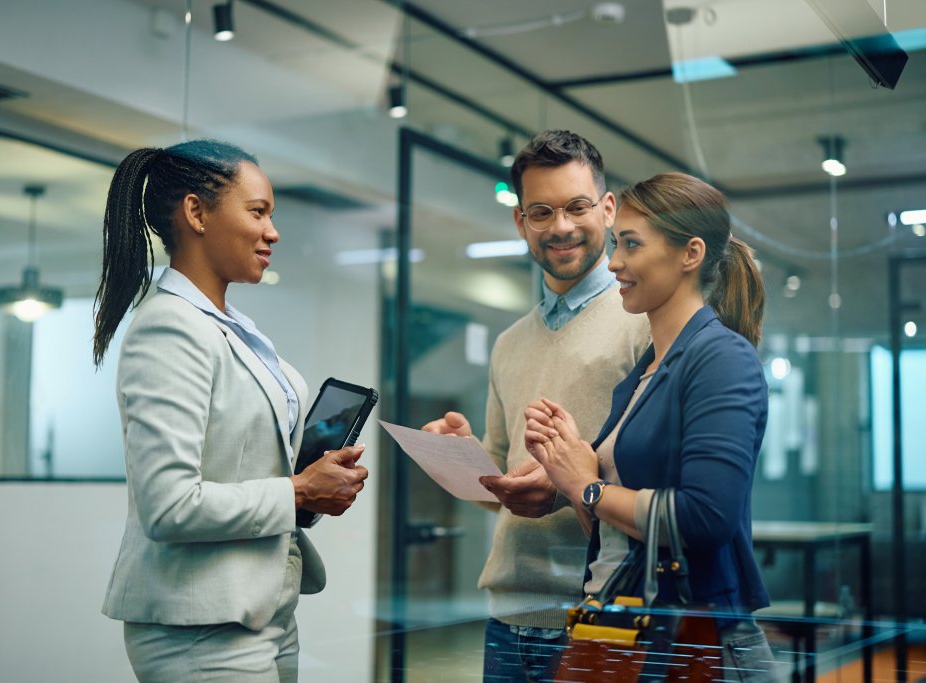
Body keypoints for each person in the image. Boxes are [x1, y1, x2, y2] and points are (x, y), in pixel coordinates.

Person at [93, 139, 369, 683]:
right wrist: (298, 491)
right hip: (200, 628)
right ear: (196, 212)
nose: (273, 232)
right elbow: (168, 506)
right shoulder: (169, 326)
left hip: (262, 610)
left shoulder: (227, 324)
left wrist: (311, 484)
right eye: (258, 211)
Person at [525, 172, 779, 680]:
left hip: (685, 640)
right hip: (619, 629)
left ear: (691, 254)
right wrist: (569, 463)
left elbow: (706, 517)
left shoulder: (722, 358)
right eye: (618, 244)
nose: (615, 262)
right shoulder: (645, 372)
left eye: (632, 245)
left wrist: (588, 487)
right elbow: (618, 534)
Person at [422, 130, 650, 682]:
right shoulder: (509, 343)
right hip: (507, 615)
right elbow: (501, 490)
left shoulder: (645, 324)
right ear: (521, 221)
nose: (562, 227)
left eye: (577, 207)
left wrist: (569, 486)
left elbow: (663, 491)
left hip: (602, 611)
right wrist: (465, 461)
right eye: (542, 212)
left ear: (609, 208)